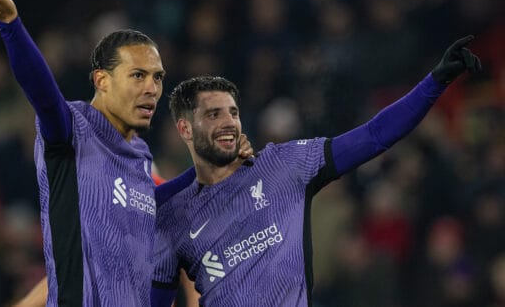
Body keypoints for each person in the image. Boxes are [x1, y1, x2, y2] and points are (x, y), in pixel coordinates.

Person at [0, 0, 254, 306]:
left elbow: (149, 203)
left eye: (157, 77)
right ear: (102, 80)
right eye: (138, 75)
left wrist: (214, 170)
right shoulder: (71, 131)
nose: (152, 88)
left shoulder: (140, 155)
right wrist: (10, 24)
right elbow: (42, 93)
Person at [150, 38, 481, 306]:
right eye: (212, 115)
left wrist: (435, 82)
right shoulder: (168, 212)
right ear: (185, 129)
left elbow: (376, 135)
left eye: (232, 112)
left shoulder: (285, 165)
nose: (227, 123)